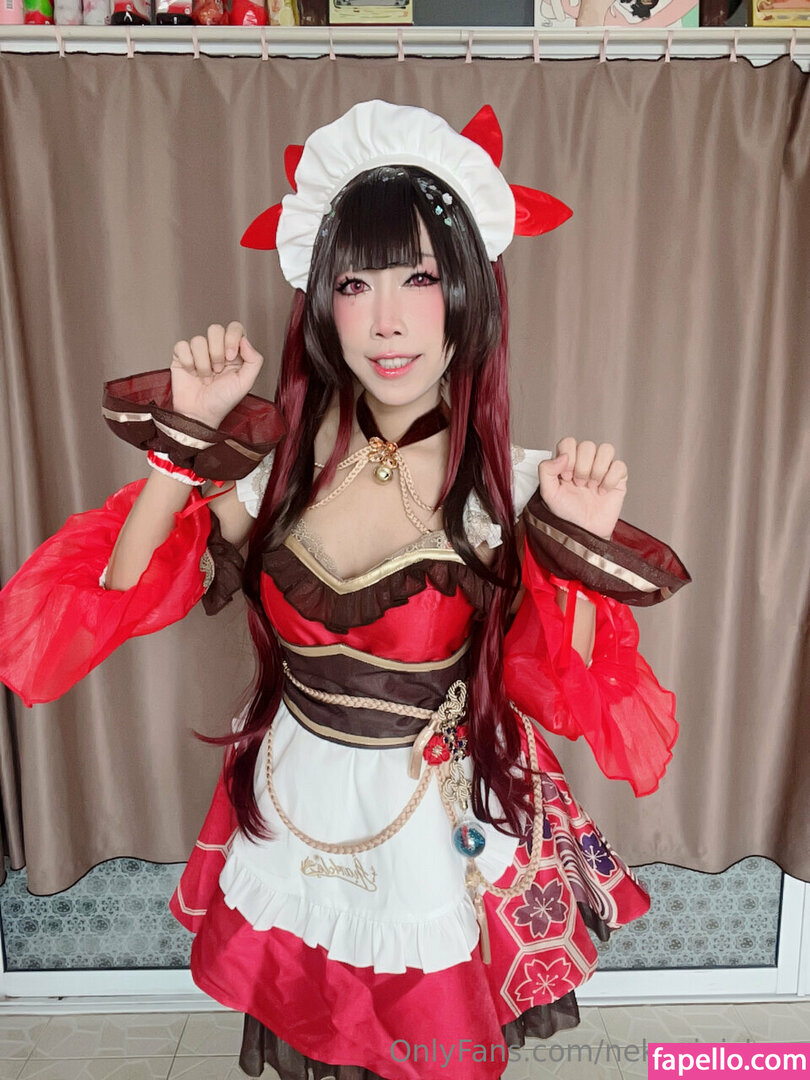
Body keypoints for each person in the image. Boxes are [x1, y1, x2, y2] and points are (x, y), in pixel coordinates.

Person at [0, 100, 690, 1080]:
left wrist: (577, 549)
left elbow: (571, 694)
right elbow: (109, 594)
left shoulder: (514, 490)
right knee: (315, 1027)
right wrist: (187, 438)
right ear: (322, 301)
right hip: (298, 799)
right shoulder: (274, 460)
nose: (387, 320)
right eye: (356, 283)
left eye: (421, 277)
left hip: (434, 821)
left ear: (472, 291)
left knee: (421, 1042)